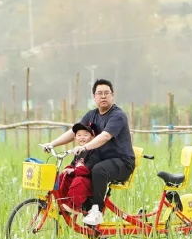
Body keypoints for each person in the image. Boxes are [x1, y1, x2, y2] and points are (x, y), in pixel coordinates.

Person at [45, 78, 136, 226]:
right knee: (77, 170)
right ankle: (83, 207)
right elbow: (74, 133)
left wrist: (85, 147)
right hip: (101, 159)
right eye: (99, 93)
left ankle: (97, 212)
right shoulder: (91, 115)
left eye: (107, 93)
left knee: (99, 170)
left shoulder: (117, 115)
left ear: (112, 96)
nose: (103, 96)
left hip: (122, 162)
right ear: (94, 97)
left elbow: (105, 136)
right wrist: (52, 143)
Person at [53, 122, 95, 213]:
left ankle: (74, 205)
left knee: (78, 181)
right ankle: (63, 202)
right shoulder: (78, 151)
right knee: (63, 177)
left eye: (85, 135)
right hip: (78, 175)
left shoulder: (93, 151)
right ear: (75, 138)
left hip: (88, 181)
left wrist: (74, 170)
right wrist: (68, 169)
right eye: (79, 135)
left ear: (92, 137)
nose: (82, 137)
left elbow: (88, 170)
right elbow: (73, 165)